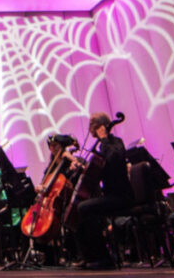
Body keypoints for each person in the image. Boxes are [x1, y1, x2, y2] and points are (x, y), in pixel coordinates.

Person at [72, 112, 132, 270]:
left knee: (84, 208)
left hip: (121, 196)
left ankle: (104, 258)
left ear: (101, 126)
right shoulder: (100, 148)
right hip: (109, 196)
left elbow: (114, 158)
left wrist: (104, 138)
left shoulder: (115, 143)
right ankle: (89, 256)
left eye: (92, 124)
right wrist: (80, 166)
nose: (89, 128)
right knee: (78, 207)